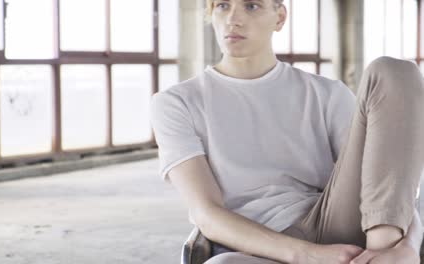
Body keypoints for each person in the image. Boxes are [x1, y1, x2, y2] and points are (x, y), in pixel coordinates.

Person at [150, 0, 424, 263]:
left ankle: (382, 254)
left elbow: (390, 182)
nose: (233, 19)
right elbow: (206, 213)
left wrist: (408, 248)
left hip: (332, 221)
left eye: (251, 5)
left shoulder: (326, 93)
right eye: (222, 5)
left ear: (280, 17)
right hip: (257, 245)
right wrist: (309, 256)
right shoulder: (176, 102)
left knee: (396, 70)